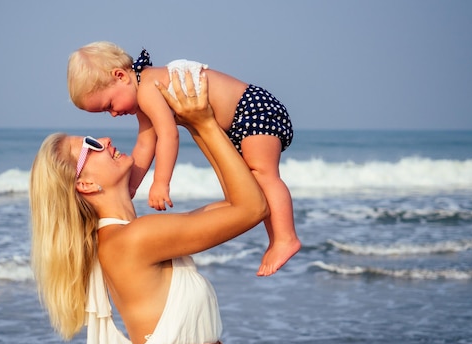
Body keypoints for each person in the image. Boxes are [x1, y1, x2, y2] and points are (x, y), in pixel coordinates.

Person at [29, 71, 268, 344]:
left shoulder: (134, 234)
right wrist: (204, 124)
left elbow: (242, 200)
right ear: (87, 186)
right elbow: (252, 207)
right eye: (92, 146)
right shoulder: (133, 240)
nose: (107, 139)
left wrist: (196, 124)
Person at [67, 41, 301, 276]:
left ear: (120, 76)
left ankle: (285, 238)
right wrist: (131, 186)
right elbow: (145, 143)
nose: (114, 114)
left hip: (253, 110)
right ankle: (277, 239)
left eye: (109, 105)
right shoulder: (142, 93)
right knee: (255, 180)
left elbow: (168, 135)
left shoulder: (148, 88)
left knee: (263, 174)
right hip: (235, 123)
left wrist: (161, 182)